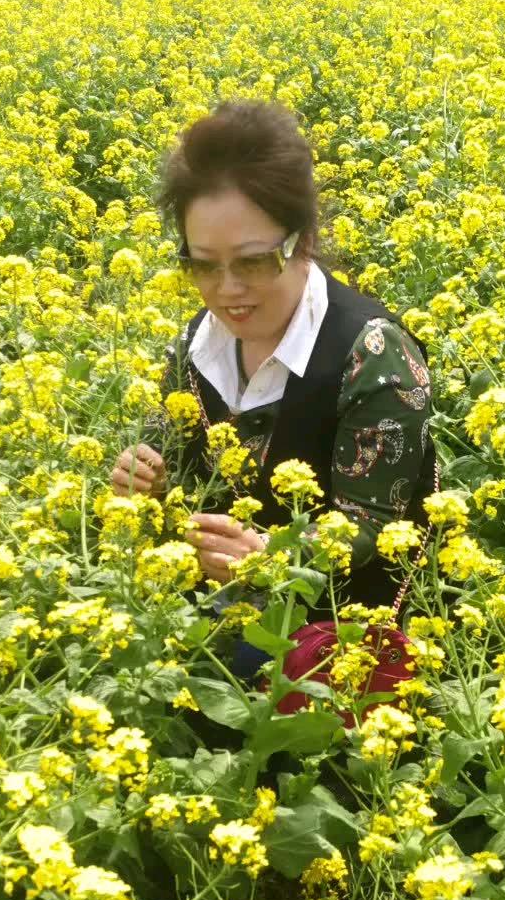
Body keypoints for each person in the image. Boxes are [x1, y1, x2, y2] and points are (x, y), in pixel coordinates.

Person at [110, 98, 437, 675]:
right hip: (211, 594)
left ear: (302, 240)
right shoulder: (197, 341)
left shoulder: (373, 354)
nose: (227, 290)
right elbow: (169, 439)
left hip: (331, 618)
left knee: (226, 672)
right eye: (203, 264)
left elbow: (374, 525)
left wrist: (272, 559)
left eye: (253, 262)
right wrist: (146, 473)